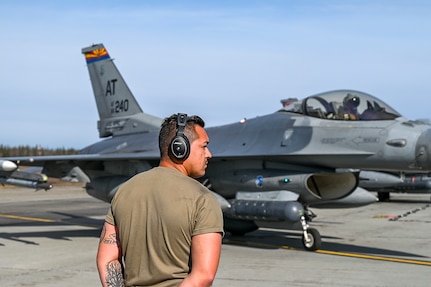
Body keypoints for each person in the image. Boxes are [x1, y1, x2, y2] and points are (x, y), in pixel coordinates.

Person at [97, 113, 224, 287]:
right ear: (180, 148)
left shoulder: (124, 191)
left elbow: (107, 260)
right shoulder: (202, 199)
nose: (209, 154)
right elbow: (204, 275)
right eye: (204, 146)